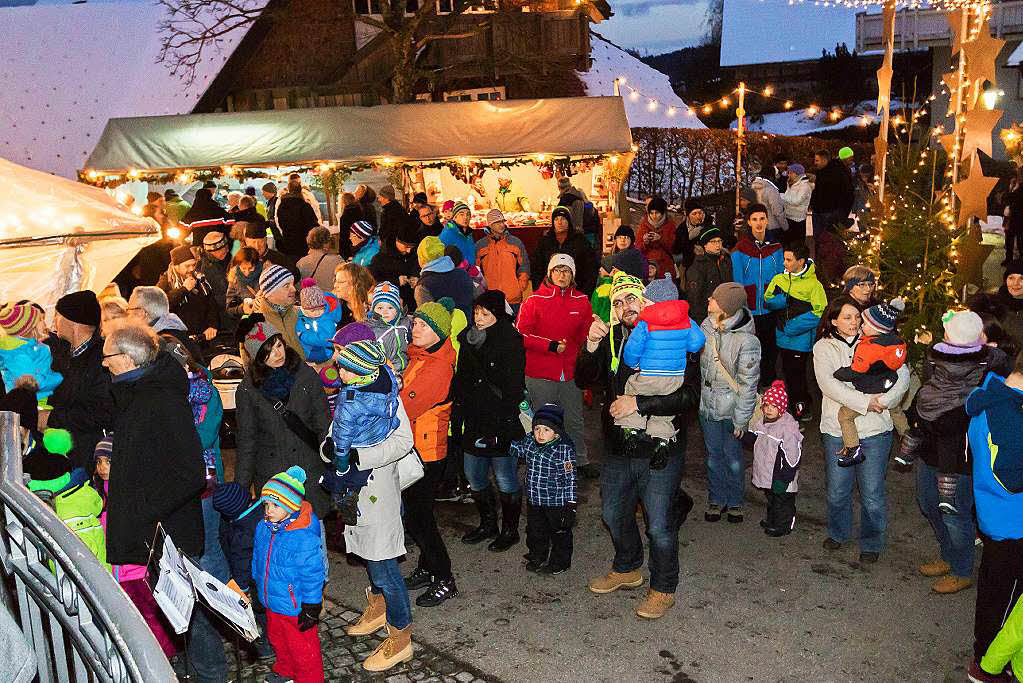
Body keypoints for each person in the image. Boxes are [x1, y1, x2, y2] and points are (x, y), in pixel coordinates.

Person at [575, 273, 699, 619]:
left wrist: (639, 404)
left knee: (658, 524)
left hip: (662, 448)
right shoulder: (612, 338)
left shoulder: (674, 333)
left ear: (645, 302)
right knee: (613, 513)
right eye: (618, 302)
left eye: (631, 299)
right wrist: (589, 344)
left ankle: (663, 587)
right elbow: (583, 379)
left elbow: (689, 396)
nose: (625, 307)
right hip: (618, 446)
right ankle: (628, 567)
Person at [99, 321, 215, 677]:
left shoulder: (161, 399)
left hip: (170, 533)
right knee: (168, 615)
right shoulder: (137, 391)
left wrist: (140, 510)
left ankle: (210, 675)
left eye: (108, 357)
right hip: (153, 529)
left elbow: (191, 474)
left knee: (190, 616)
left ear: (129, 358)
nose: (104, 363)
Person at [812, 295, 909, 563]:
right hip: (836, 429)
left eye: (857, 316)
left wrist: (885, 401)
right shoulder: (823, 348)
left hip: (875, 431)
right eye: (847, 317)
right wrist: (867, 401)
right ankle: (838, 532)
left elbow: (902, 376)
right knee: (837, 490)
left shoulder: (880, 338)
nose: (854, 322)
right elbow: (829, 385)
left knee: (873, 493)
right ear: (833, 321)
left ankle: (872, 542)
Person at [331, 376, 416, 673]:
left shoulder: (388, 396)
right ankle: (379, 609)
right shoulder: (348, 395)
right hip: (354, 490)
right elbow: (335, 434)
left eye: (344, 360)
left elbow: (404, 441)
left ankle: (401, 636)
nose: (338, 368)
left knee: (385, 566)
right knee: (369, 557)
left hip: (377, 488)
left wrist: (359, 457)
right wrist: (332, 452)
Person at [905, 309, 990, 596]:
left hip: (958, 459)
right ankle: (948, 555)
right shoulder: (941, 359)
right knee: (929, 504)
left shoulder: (984, 369)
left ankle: (962, 570)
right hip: (930, 449)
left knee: (955, 513)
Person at [451, 290, 526, 550]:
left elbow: (514, 386)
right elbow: (460, 379)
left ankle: (510, 529)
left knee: (505, 476)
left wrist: (504, 422)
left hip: (500, 419)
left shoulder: (510, 340)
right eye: (476, 313)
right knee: (474, 475)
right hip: (474, 418)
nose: (479, 318)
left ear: (497, 314)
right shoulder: (468, 339)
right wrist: (457, 415)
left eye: (485, 313)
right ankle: (487, 523)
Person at [234, 320, 331, 521]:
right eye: (268, 352)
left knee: (313, 534)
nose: (277, 354)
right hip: (274, 478)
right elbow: (247, 442)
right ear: (258, 357)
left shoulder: (305, 375)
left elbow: (323, 423)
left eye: (279, 345)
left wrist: (333, 463)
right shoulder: (248, 389)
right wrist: (241, 489)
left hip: (309, 472)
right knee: (279, 541)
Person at [964, 356, 1023, 681]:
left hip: (993, 513)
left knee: (993, 591)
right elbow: (1012, 477)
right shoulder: (1011, 418)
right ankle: (988, 663)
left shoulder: (989, 391)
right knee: (1006, 600)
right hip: (1014, 522)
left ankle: (988, 654)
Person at [399, 299, 459, 606]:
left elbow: (404, 405)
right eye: (415, 323)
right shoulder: (421, 356)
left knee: (419, 518)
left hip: (426, 451)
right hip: (415, 446)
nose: (415, 328)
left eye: (423, 325)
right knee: (417, 514)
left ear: (438, 332)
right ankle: (427, 566)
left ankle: (444, 577)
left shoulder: (437, 367)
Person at [517, 254, 596, 478]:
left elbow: (585, 335)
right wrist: (549, 346)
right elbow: (520, 334)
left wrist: (596, 334)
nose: (562, 275)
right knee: (542, 421)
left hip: (571, 372)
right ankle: (543, 461)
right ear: (550, 274)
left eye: (567, 271)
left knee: (574, 419)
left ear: (573, 276)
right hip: (540, 372)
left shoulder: (581, 301)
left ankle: (579, 460)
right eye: (558, 270)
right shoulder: (533, 300)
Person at [244, 467, 325, 683]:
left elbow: (313, 575)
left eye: (275, 505)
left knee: (303, 650)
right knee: (278, 640)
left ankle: (309, 679)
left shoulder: (303, 537)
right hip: (272, 601)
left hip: (295, 606)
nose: (268, 510)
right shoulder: (264, 527)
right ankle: (286, 671)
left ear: (290, 506)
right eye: (266, 504)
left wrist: (311, 605)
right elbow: (258, 559)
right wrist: (256, 586)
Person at [618, 275, 705, 448]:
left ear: (652, 301)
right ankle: (662, 437)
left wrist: (634, 364)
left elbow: (632, 350)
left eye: (645, 300)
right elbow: (697, 342)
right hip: (675, 377)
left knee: (631, 388)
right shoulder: (686, 320)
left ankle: (632, 427)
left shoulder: (645, 322)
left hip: (649, 374)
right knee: (665, 410)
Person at [698, 282, 760, 523]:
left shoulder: (747, 341)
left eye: (714, 299)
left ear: (725, 307)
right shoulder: (706, 327)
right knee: (713, 455)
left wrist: (742, 419)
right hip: (707, 404)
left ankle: (735, 501)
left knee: (733, 457)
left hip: (732, 407)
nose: (709, 301)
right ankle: (716, 500)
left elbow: (748, 384)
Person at [322, 340, 401, 524]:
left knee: (342, 472)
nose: (340, 372)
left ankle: (341, 496)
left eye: (346, 370)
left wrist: (341, 462)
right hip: (382, 431)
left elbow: (342, 435)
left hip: (361, 440)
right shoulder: (384, 376)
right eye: (340, 367)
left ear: (362, 373)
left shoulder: (350, 402)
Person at [831, 298, 908, 466]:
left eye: (864, 323)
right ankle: (907, 437)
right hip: (889, 384)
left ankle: (853, 448)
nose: (860, 326)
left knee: (844, 415)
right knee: (896, 410)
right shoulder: (897, 342)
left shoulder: (869, 347)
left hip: (871, 389)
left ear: (875, 328)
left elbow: (857, 370)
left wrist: (839, 373)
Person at [45, 291, 114, 467]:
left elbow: (101, 412)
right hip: (61, 449)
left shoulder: (103, 360)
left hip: (87, 456)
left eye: (58, 316)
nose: (54, 321)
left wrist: (52, 417)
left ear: (73, 323)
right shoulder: (62, 354)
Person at [211, 482, 275, 661]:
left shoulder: (241, 533)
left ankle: (270, 644)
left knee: (263, 611)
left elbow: (242, 564)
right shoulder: (265, 509)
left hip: (260, 581)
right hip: (276, 573)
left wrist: (241, 589)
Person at [763, 242, 827, 421]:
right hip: (781, 337)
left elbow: (820, 312)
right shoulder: (778, 279)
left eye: (789, 260)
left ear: (801, 261)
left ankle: (802, 410)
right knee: (785, 374)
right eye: (784, 259)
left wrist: (793, 327)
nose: (784, 263)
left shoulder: (814, 285)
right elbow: (767, 299)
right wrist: (783, 301)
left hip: (800, 341)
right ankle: (790, 408)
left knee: (798, 377)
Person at [510, 403, 576, 575]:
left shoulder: (563, 450)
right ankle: (537, 555)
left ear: (556, 431)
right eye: (537, 428)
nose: (540, 434)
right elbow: (519, 450)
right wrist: (503, 442)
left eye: (546, 430)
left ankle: (560, 561)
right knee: (535, 530)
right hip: (534, 500)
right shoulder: (530, 442)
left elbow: (570, 478)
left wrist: (570, 504)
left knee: (559, 532)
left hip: (556, 502)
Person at [731, 204, 785, 386]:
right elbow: (738, 282)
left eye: (762, 218)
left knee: (770, 349)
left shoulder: (777, 247)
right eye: (754, 219)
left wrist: (778, 301)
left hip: (770, 308)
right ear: (749, 222)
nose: (759, 223)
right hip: (750, 309)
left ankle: (768, 384)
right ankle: (749, 385)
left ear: (767, 220)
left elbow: (781, 278)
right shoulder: (740, 249)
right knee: (750, 350)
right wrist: (742, 306)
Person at [748, 381, 803, 536]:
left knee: (783, 500)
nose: (769, 409)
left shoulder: (787, 429)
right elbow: (755, 439)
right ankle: (773, 520)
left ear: (781, 408)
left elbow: (792, 455)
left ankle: (784, 525)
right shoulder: (762, 422)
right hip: (768, 472)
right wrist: (743, 436)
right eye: (766, 406)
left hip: (782, 475)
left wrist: (786, 476)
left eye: (774, 406)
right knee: (772, 498)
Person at [0, 301, 62, 402]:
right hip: (25, 404)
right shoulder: (17, 354)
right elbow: (32, 382)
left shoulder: (33, 348)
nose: (45, 323)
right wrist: (58, 378)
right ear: (29, 328)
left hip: (37, 400)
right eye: (41, 319)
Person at [158, 245, 220, 342]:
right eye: (187, 266)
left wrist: (213, 325)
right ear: (176, 266)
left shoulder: (199, 278)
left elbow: (210, 302)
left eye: (193, 265)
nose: (191, 269)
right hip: (179, 338)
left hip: (202, 336)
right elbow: (161, 305)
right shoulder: (166, 282)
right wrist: (184, 289)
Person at [475, 209, 531, 310]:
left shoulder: (516, 242)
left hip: (513, 297)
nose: (501, 225)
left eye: (502, 221)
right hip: (490, 298)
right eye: (497, 222)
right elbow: (476, 271)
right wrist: (482, 290)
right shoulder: (480, 245)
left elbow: (524, 266)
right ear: (490, 225)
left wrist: (520, 287)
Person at [531, 207, 597, 295]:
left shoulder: (580, 241)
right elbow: (536, 268)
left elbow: (590, 268)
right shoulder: (545, 242)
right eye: (556, 219)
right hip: (549, 292)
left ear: (569, 221)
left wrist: (585, 292)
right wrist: (539, 291)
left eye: (563, 219)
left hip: (576, 291)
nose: (559, 222)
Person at [127, 285, 202, 360]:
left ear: (141, 313)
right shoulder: (174, 330)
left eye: (129, 310)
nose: (127, 316)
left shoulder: (160, 345)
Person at [414, 236, 474, 320]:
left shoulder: (423, 287)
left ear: (421, 259)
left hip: (444, 332)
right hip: (468, 329)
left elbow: (427, 321)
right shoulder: (463, 274)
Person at [369, 221, 420, 313]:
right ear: (397, 241)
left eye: (411, 247)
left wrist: (416, 278)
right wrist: (395, 281)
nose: (409, 251)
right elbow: (373, 280)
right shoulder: (380, 258)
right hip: (390, 306)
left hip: (412, 305)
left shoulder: (414, 253)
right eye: (406, 246)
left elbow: (418, 267)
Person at [685, 226, 733, 324]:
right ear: (705, 245)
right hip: (707, 315)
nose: (718, 245)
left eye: (719, 241)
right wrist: (700, 320)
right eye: (713, 241)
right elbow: (694, 296)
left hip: (725, 311)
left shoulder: (725, 261)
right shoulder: (698, 266)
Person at [365, 282, 411, 372]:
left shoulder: (405, 322)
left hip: (407, 368)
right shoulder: (371, 330)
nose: (385, 312)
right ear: (373, 310)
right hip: (386, 371)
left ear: (398, 310)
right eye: (380, 308)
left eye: (390, 308)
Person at [295, 280, 344, 364]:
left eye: (320, 309)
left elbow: (324, 339)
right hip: (310, 348)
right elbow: (300, 324)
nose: (317, 313)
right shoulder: (303, 315)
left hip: (324, 351)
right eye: (313, 310)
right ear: (305, 309)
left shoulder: (327, 321)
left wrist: (303, 335)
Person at [809, 148, 854, 238]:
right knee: (827, 240)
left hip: (826, 213)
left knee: (823, 240)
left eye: (817, 160)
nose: (815, 163)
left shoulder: (833, 171)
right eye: (851, 158)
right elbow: (848, 193)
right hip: (826, 212)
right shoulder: (839, 171)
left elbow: (846, 193)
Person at [276, 178, 319, 259]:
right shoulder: (305, 206)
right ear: (300, 191)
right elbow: (313, 225)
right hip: (303, 245)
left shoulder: (282, 206)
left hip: (288, 243)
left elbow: (279, 223)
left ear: (289, 190)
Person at [635, 197, 677, 280]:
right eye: (651, 213)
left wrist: (661, 239)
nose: (654, 216)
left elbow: (674, 248)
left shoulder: (670, 225)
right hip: (648, 266)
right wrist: (645, 242)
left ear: (662, 213)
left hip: (665, 267)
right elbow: (638, 249)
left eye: (657, 213)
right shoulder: (643, 225)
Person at [297, 227, 343, 292]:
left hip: (310, 300)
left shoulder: (300, 263)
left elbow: (299, 287)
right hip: (331, 300)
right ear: (326, 244)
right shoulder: (337, 261)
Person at [197, 231, 232, 314]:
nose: (227, 250)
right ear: (212, 251)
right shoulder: (205, 269)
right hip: (221, 313)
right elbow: (217, 296)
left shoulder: (224, 258)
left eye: (227, 246)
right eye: (223, 249)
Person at [225, 247, 263, 320]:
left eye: (250, 268)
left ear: (257, 264)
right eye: (243, 269)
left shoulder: (265, 274)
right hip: (248, 321)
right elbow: (229, 309)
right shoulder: (234, 279)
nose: (247, 272)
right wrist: (242, 309)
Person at [781, 163, 812, 244]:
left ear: (797, 173)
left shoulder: (805, 186)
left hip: (798, 219)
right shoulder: (791, 183)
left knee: (798, 244)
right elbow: (788, 197)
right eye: (788, 172)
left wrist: (781, 196)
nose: (788, 175)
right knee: (788, 242)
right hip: (788, 216)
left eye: (791, 173)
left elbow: (796, 201)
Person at [670, 199, 705, 270]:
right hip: (687, 263)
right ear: (688, 215)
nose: (698, 216)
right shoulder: (681, 229)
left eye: (700, 213)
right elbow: (676, 250)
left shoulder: (707, 226)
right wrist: (692, 248)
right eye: (694, 214)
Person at [439, 202, 477, 266]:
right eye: (461, 214)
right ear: (454, 217)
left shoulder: (468, 234)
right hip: (456, 273)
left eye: (468, 214)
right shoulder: (447, 233)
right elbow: (442, 258)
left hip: (470, 272)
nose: (465, 217)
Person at [751, 175, 786, 242]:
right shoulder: (771, 190)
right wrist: (785, 226)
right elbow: (777, 211)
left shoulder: (753, 188)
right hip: (773, 225)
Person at [1005, 166, 1023, 265]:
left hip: (1019, 216)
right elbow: (1010, 196)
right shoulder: (1015, 184)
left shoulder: (1021, 187)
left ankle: (1020, 259)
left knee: (1019, 238)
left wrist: (1007, 196)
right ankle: (1008, 258)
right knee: (1009, 237)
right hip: (1012, 215)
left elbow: (1014, 197)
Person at [338, 192, 362, 259]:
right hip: (359, 242)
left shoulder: (345, 214)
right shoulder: (359, 210)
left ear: (344, 202)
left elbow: (344, 234)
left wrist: (342, 251)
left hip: (348, 245)